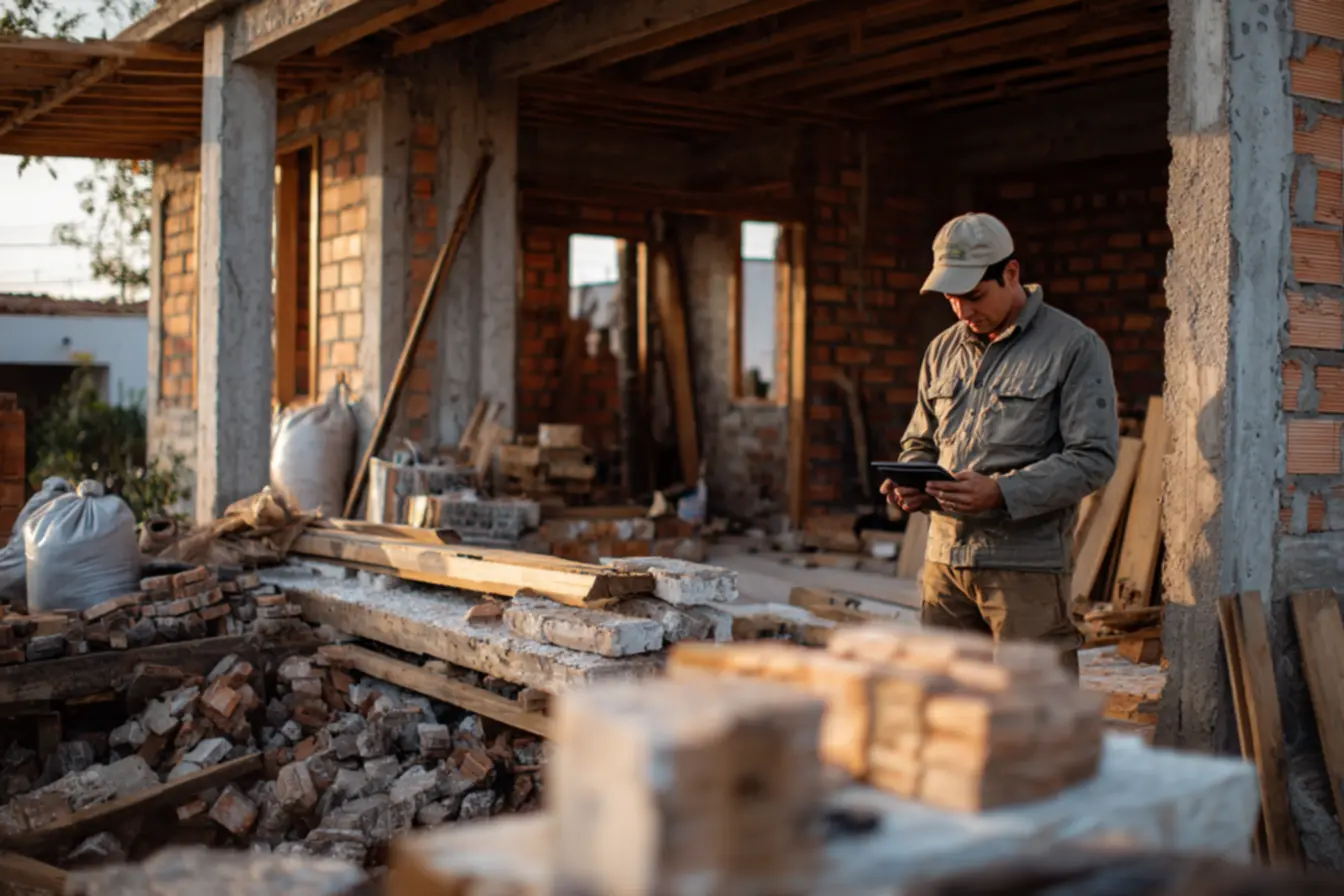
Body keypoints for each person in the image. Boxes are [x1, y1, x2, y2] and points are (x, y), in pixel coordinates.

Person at [881, 212, 1119, 675]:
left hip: (1025, 569)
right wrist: (911, 479)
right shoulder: (942, 350)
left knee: (1035, 708)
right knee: (947, 703)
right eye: (951, 299)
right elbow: (920, 439)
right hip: (944, 563)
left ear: (1011, 273)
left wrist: (1001, 492)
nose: (962, 312)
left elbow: (1093, 458)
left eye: (973, 296)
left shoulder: (1073, 346)